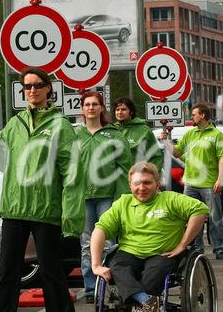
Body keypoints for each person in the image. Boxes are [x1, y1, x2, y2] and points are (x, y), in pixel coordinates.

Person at [0, 67, 84, 312]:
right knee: (8, 273)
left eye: (37, 85)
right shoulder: (14, 123)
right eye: (27, 86)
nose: (32, 90)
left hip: (45, 209)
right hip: (15, 208)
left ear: (48, 88)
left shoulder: (61, 125)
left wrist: (71, 214)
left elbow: (72, 172)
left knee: (52, 273)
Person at [91, 162, 209, 312]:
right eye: (137, 183)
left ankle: (139, 303)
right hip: (129, 252)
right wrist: (96, 265)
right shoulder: (122, 203)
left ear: (157, 184)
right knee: (117, 266)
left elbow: (200, 210)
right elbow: (99, 230)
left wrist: (183, 244)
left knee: (153, 274)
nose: (141, 188)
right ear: (130, 185)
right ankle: (145, 301)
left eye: (147, 183)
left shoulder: (170, 199)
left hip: (162, 254)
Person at [75, 91, 132, 304]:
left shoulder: (114, 135)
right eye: (87, 104)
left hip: (107, 196)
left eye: (95, 104)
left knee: (109, 243)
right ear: (82, 109)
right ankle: (91, 288)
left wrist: (121, 197)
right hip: (83, 198)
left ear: (101, 108)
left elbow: (124, 167)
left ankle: (112, 287)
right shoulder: (74, 135)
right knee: (86, 244)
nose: (91, 108)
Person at [160, 103, 223, 260]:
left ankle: (220, 248)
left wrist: (220, 179)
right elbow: (178, 153)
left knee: (214, 217)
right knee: (192, 217)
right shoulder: (190, 134)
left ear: (203, 115)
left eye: (193, 114)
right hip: (190, 184)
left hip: (209, 183)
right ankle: (197, 248)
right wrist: (167, 142)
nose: (191, 117)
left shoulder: (216, 135)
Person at [113, 97, 163, 170]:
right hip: (116, 179)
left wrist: (150, 175)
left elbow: (155, 157)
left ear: (131, 112)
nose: (119, 112)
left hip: (138, 178)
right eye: (117, 110)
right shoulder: (111, 130)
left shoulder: (144, 131)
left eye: (123, 109)